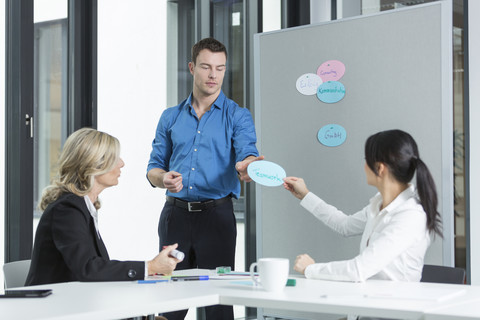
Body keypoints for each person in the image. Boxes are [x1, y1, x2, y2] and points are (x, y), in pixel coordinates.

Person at [147, 37, 262, 320]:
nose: (213, 75)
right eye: (206, 67)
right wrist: (164, 180)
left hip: (217, 219)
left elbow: (248, 152)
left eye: (220, 68)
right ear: (191, 67)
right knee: (170, 298)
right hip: (175, 218)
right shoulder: (170, 117)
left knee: (218, 303)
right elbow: (152, 168)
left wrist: (248, 165)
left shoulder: (238, 116)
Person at [26, 128, 180, 287]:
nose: (122, 163)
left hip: (74, 303)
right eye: (115, 158)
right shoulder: (67, 209)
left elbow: (95, 268)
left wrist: (150, 268)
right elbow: (88, 269)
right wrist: (150, 267)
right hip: (56, 308)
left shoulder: (84, 207)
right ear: (94, 164)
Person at [283, 129, 442, 282]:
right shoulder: (378, 204)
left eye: (366, 160)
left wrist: (310, 269)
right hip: (367, 302)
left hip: (393, 306)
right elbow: (344, 225)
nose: (364, 166)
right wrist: (305, 195)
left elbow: (359, 269)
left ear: (379, 168)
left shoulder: (410, 216)